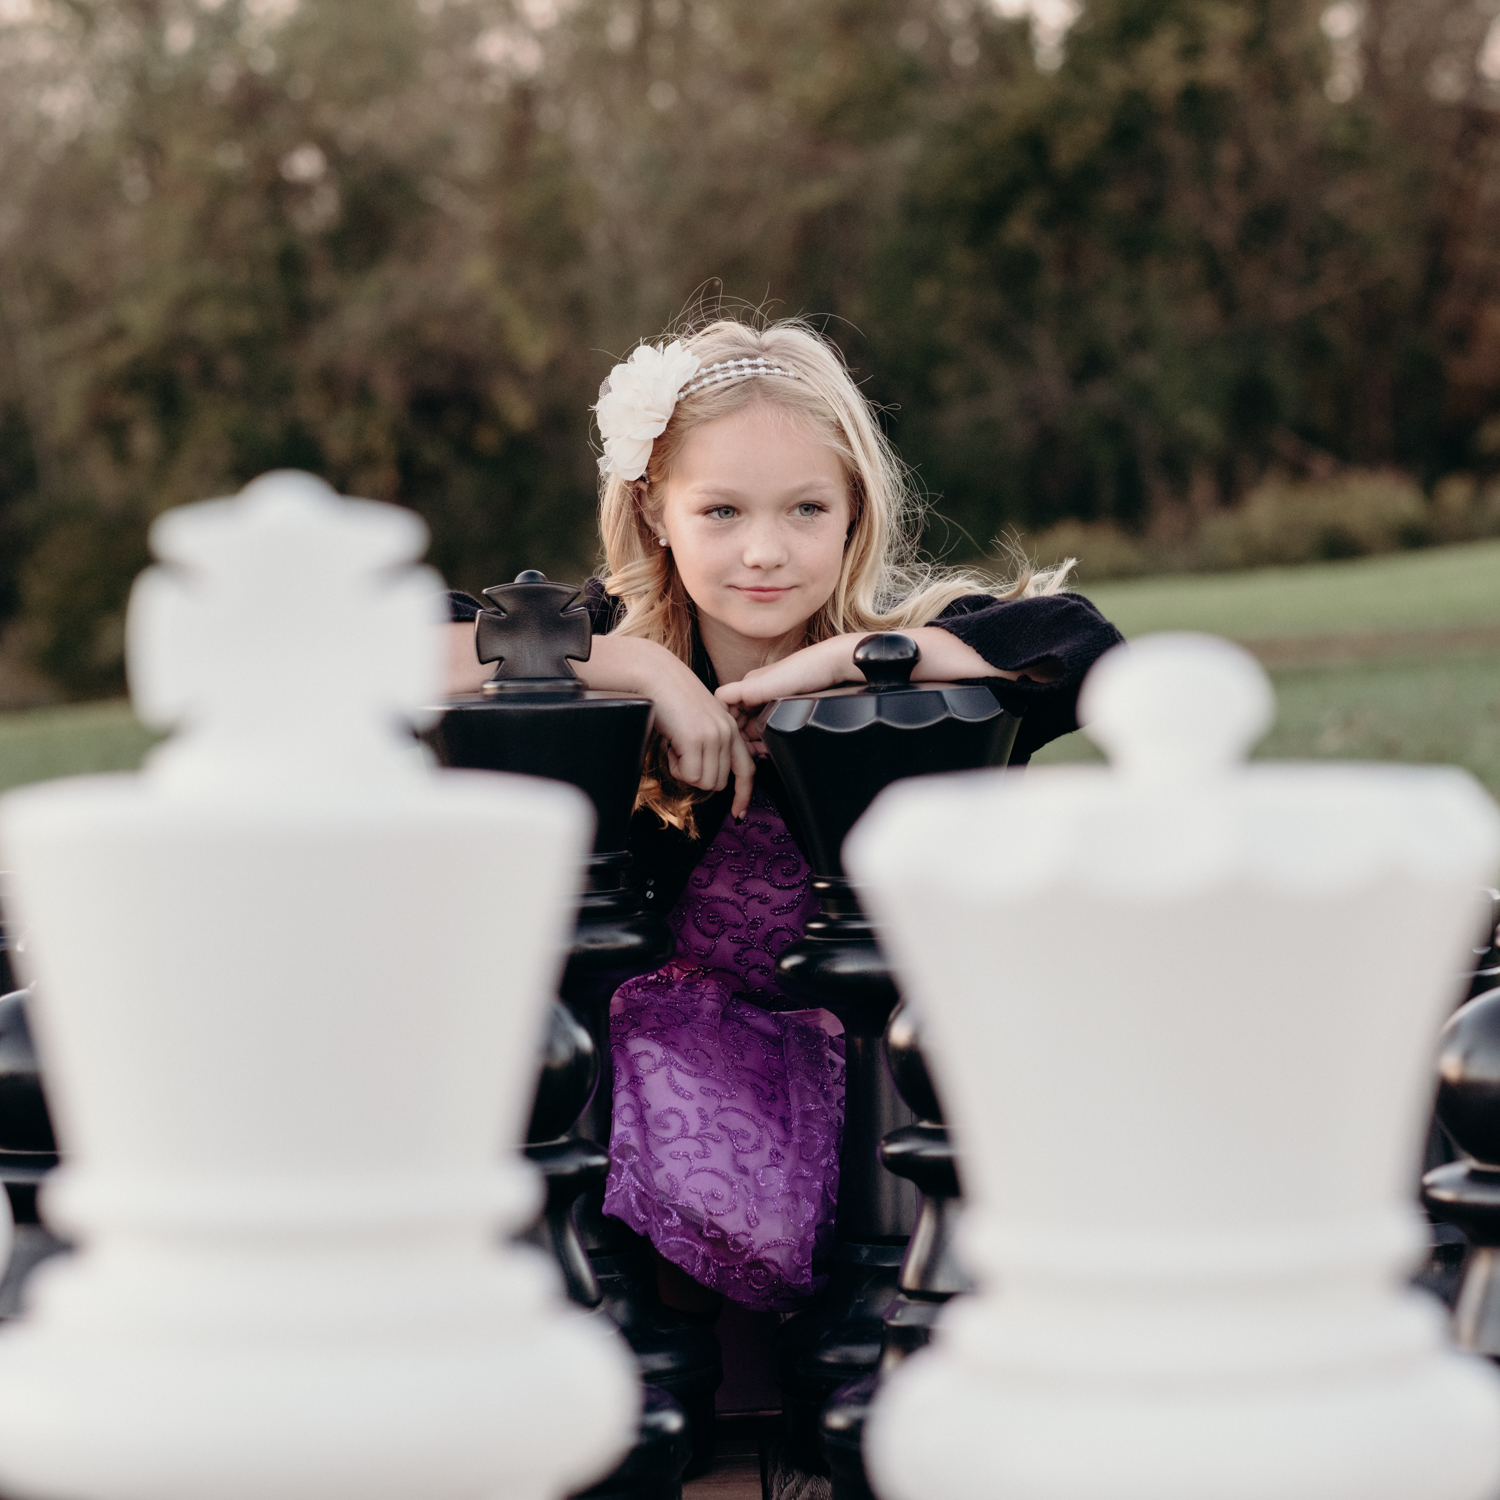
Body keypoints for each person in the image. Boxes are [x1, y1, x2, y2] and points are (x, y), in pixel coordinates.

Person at [444, 316, 1123, 1316]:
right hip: (679, 1075)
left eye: (806, 508)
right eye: (720, 511)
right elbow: (377, 649)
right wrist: (642, 669)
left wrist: (842, 663)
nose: (765, 552)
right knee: (590, 1051)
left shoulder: (902, 647)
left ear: (854, 512)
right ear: (655, 514)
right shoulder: (612, 644)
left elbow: (1086, 650)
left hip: (883, 1077)